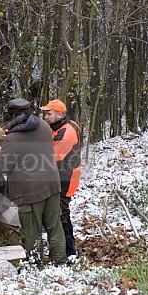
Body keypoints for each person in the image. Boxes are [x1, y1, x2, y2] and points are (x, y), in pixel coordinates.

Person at [0, 97, 67, 265]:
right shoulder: (45, 126)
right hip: (51, 185)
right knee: (55, 228)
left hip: (29, 193)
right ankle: (60, 264)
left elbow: (2, 167)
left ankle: (34, 267)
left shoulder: (14, 139)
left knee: (32, 234)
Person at [40, 99, 81, 258]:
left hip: (67, 178)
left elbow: (50, 157)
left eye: (49, 114)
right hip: (61, 175)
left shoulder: (67, 133)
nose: (46, 117)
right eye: (45, 113)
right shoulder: (58, 127)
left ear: (60, 114)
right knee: (60, 213)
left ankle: (69, 253)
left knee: (61, 214)